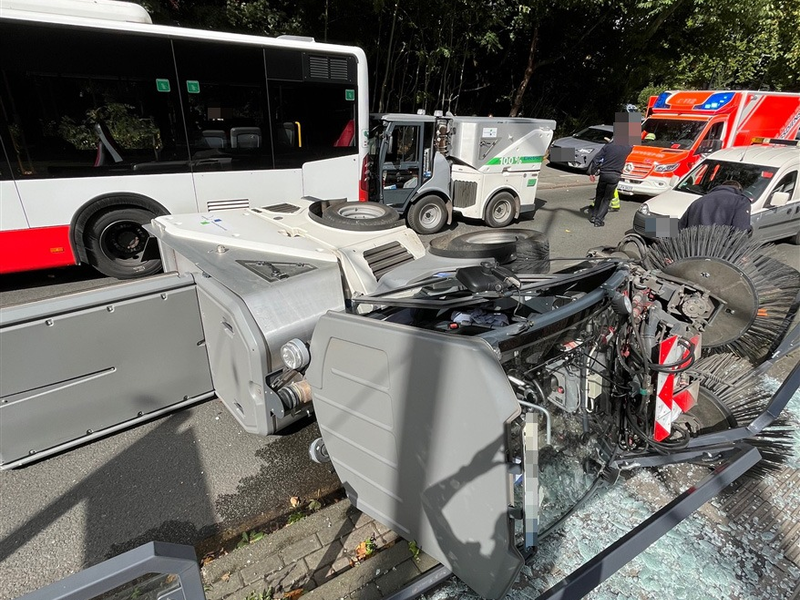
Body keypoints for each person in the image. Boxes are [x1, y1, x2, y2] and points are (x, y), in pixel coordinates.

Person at [587, 140, 633, 227]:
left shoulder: (608, 146)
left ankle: (593, 216)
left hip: (604, 174)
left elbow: (596, 158)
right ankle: (598, 220)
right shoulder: (628, 148)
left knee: (599, 196)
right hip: (615, 175)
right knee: (607, 199)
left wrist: (593, 172)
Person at [678, 180, 751, 232]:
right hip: (719, 251)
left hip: (693, 250)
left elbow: (679, 227)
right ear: (739, 190)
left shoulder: (699, 200)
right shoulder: (741, 202)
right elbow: (740, 231)